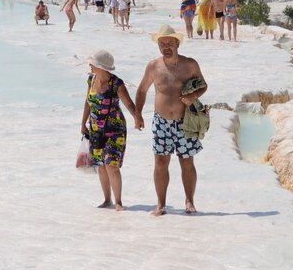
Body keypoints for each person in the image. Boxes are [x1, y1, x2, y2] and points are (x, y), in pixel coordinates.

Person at [135, 25, 208, 216]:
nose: (166, 46)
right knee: (160, 162)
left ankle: (190, 201)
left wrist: (193, 97)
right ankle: (161, 204)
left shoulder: (190, 64)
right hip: (161, 122)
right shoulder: (153, 66)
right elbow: (142, 90)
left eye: (169, 43)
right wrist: (138, 114)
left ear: (177, 43)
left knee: (187, 162)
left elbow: (203, 85)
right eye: (162, 43)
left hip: (185, 121)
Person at [81, 49, 141, 210]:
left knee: (111, 165)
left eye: (92, 63)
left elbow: (128, 103)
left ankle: (119, 202)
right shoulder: (91, 80)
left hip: (115, 129)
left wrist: (137, 118)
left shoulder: (116, 83)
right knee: (101, 165)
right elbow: (88, 102)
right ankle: (107, 200)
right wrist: (83, 124)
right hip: (95, 129)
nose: (90, 66)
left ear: (100, 66)